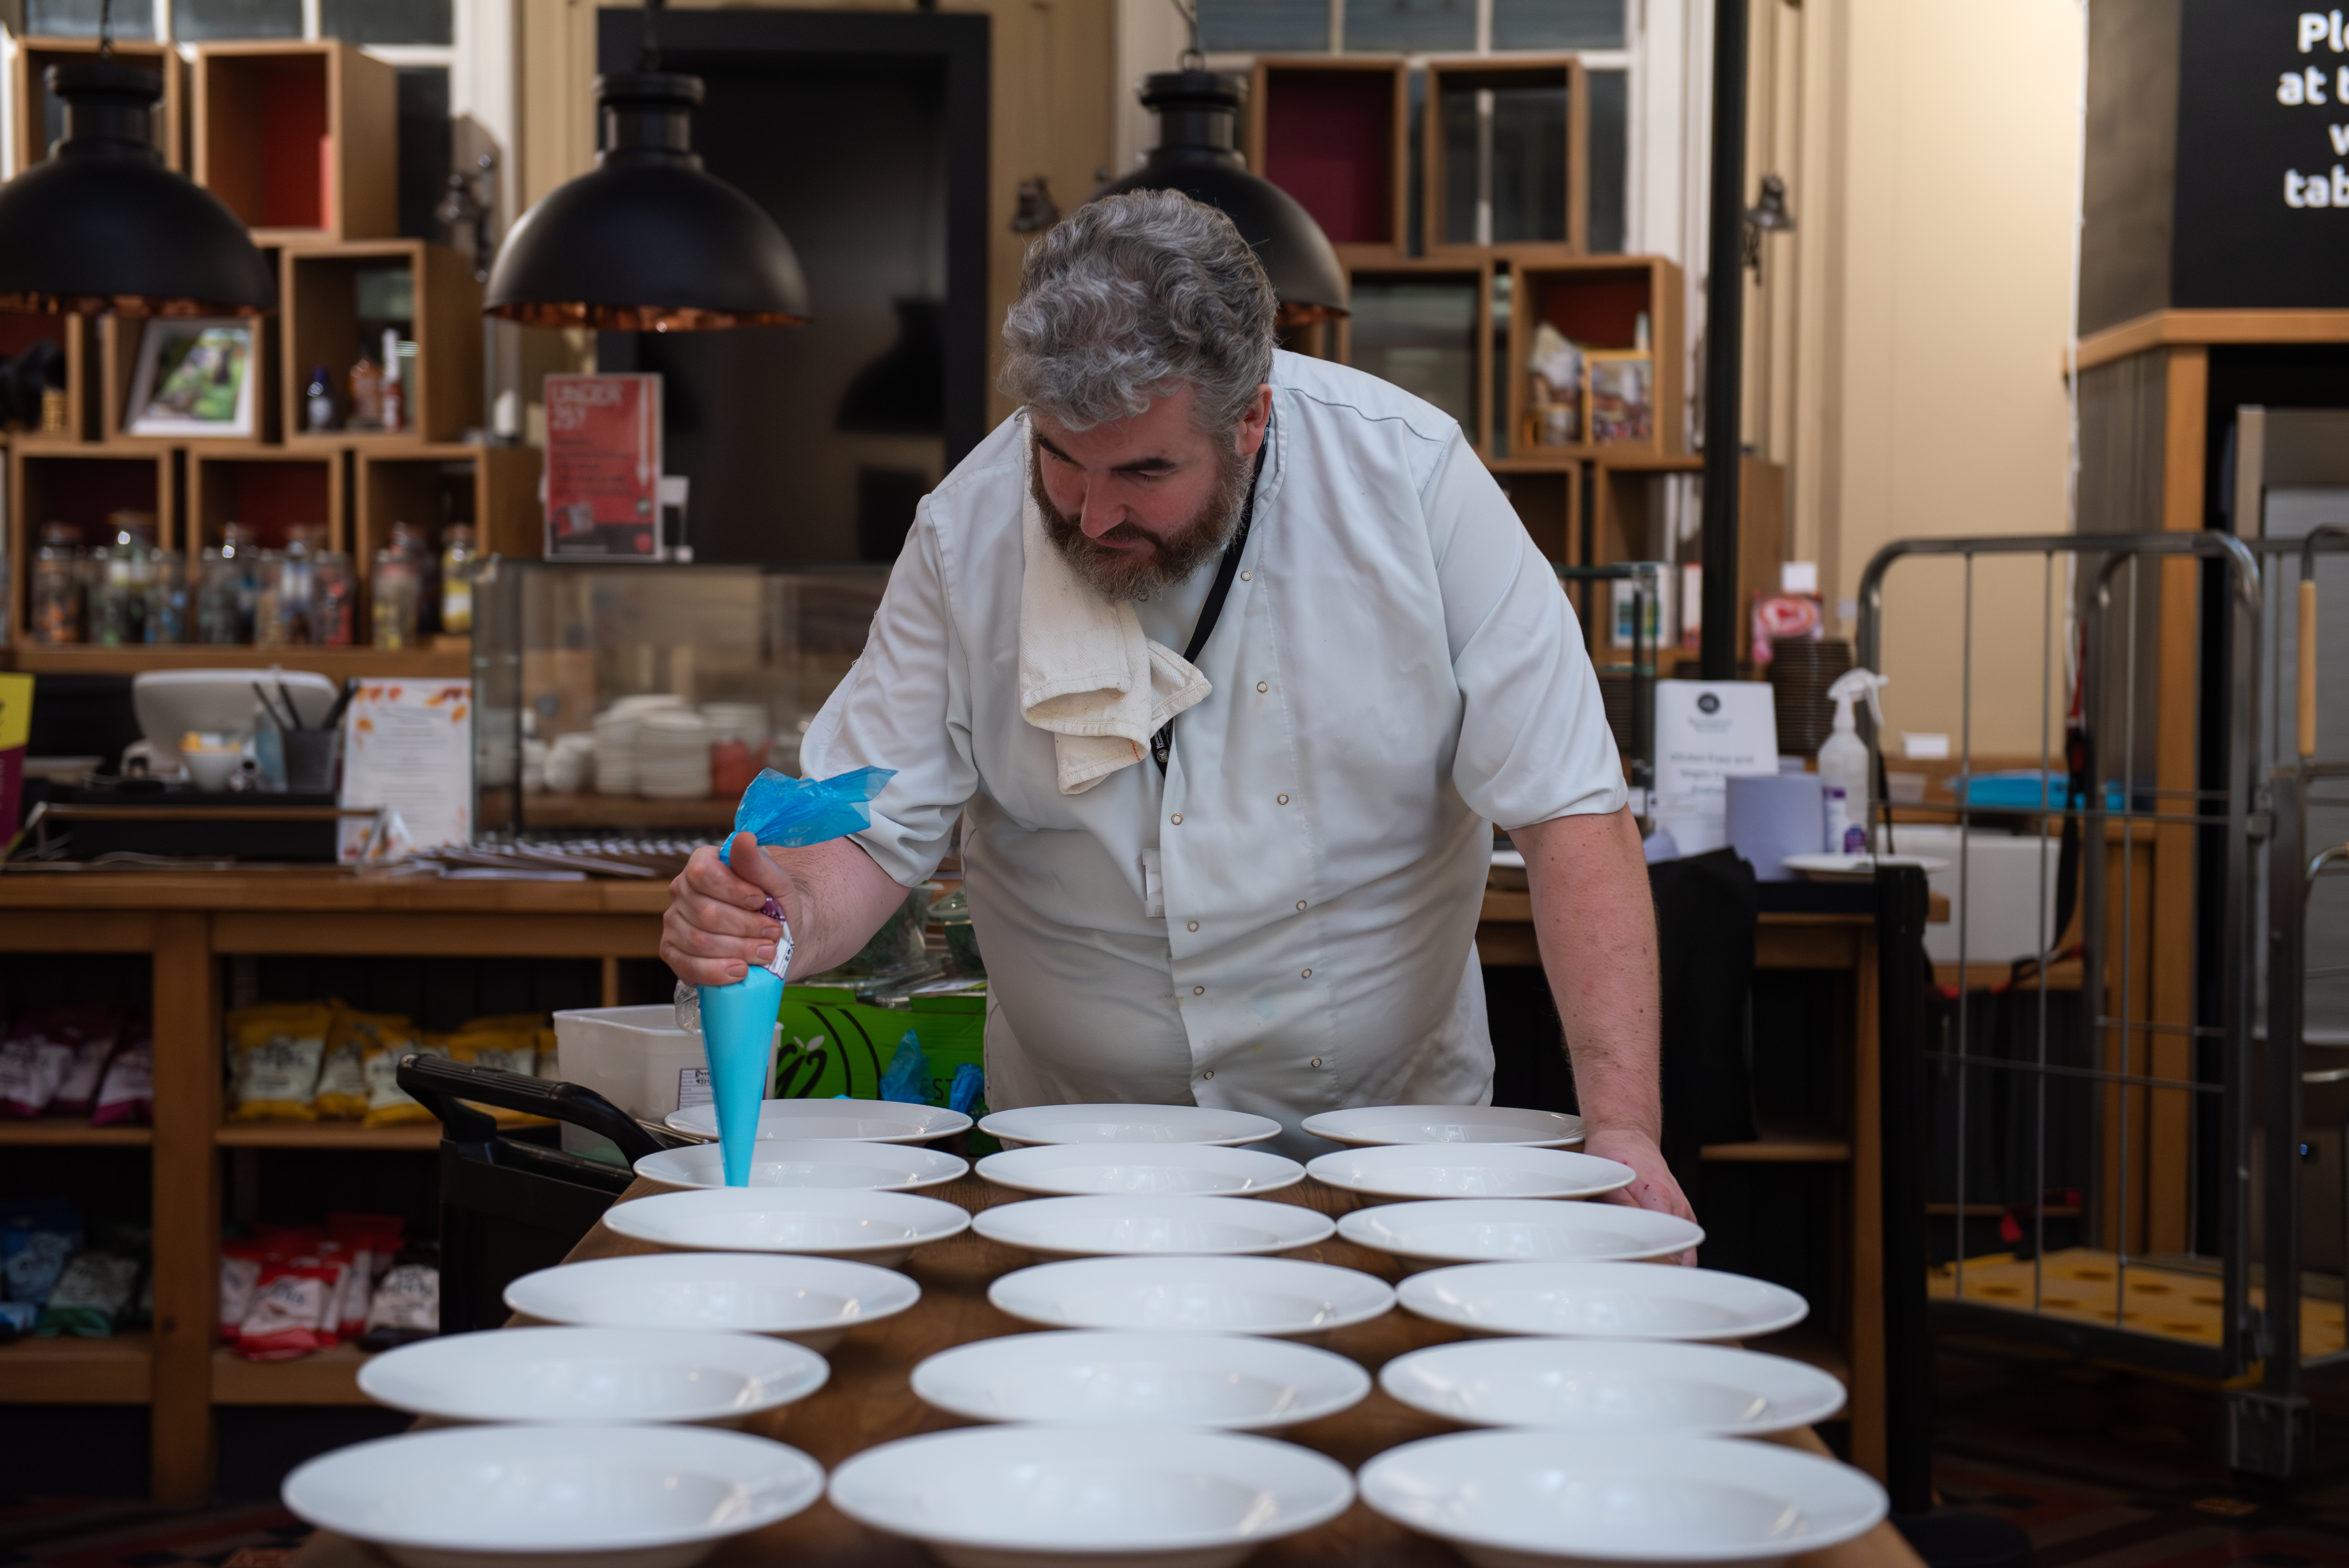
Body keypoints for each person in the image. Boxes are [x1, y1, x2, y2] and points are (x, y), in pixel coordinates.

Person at [663, 189, 1691, 1223]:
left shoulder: (1414, 485)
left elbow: (1570, 816)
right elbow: (867, 829)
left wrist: (1622, 1129)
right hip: (1076, 1158)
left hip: (1389, 1151)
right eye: (1060, 459)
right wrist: (778, 913)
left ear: (1252, 418)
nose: (1094, 512)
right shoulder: (966, 531)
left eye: (1147, 470)